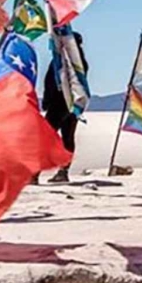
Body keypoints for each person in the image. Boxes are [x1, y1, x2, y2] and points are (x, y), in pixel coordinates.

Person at [41, 31, 86, 184]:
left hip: (60, 103)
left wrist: (47, 100)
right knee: (67, 137)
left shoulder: (63, 60)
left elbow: (52, 82)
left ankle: (34, 173)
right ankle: (63, 171)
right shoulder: (79, 62)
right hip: (74, 103)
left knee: (44, 137)